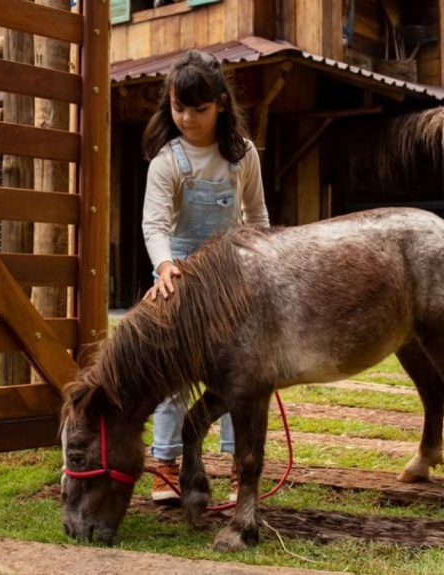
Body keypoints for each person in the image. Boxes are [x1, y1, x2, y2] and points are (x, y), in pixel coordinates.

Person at [141, 50, 270, 504]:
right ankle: (166, 467)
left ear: (220, 104)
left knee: (240, 377)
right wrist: (164, 266)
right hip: (179, 275)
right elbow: (155, 225)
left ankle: (240, 468)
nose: (188, 119)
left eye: (198, 109)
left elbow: (257, 217)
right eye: (178, 108)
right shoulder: (167, 160)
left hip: (234, 279)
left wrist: (262, 266)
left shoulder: (242, 155)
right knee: (174, 377)